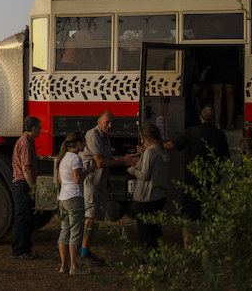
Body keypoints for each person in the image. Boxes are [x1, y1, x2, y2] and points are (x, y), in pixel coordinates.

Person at [164, 106, 230, 247]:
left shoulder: (192, 131)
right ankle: (208, 246)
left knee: (188, 217)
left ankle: (189, 247)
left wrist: (152, 148)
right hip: (212, 182)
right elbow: (225, 159)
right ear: (214, 119)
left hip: (193, 181)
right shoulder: (220, 135)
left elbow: (171, 145)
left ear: (200, 118)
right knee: (209, 216)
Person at [80, 111, 138, 266]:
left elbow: (107, 159)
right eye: (107, 122)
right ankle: (83, 252)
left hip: (99, 181)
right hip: (91, 181)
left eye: (112, 123)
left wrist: (125, 160)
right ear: (99, 122)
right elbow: (100, 162)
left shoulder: (104, 137)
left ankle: (85, 250)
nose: (110, 126)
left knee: (94, 217)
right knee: (90, 217)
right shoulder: (93, 135)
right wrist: (124, 162)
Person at [57, 131, 97, 275]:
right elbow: (77, 179)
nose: (85, 145)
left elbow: (61, 180)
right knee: (75, 232)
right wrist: (88, 170)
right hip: (74, 197)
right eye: (83, 142)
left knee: (64, 231)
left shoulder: (62, 158)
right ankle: (74, 266)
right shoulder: (75, 159)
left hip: (63, 197)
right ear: (78, 143)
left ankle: (64, 265)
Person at [127, 124, 170, 255]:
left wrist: (132, 170)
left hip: (147, 197)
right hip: (159, 196)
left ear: (148, 137)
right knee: (155, 230)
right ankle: (156, 259)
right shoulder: (162, 151)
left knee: (145, 233)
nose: (142, 141)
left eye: (143, 138)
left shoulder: (150, 152)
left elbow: (144, 174)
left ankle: (147, 262)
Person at [10, 116, 42, 259]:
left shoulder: (26, 141)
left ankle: (25, 248)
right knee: (23, 218)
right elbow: (26, 168)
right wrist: (33, 187)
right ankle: (19, 250)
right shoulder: (26, 143)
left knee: (27, 218)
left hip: (22, 184)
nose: (40, 130)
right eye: (39, 127)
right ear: (33, 128)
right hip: (23, 184)